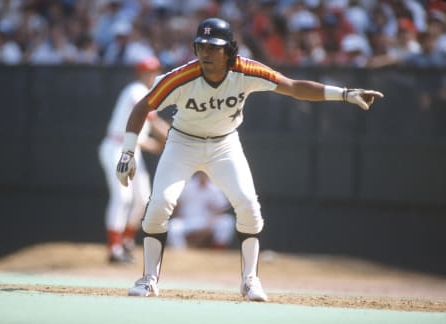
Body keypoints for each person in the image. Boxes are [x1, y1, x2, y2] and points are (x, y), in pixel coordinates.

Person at [116, 17, 383, 301]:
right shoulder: (182, 77)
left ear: (229, 49)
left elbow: (293, 87)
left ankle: (250, 280)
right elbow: (143, 106)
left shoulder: (246, 71)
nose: (205, 52)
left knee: (247, 204)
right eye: (201, 46)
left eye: (213, 47)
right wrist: (128, 152)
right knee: (158, 205)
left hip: (224, 145)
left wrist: (344, 94)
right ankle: (148, 279)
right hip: (182, 142)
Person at [99, 55, 169, 263]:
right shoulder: (135, 90)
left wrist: (154, 145)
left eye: (155, 71)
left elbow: (140, 135)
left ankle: (126, 242)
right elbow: (153, 122)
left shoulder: (147, 93)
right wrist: (174, 135)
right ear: (140, 73)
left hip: (131, 148)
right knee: (123, 198)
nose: (152, 74)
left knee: (144, 199)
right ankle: (114, 249)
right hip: (115, 147)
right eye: (148, 71)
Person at [167, 171, 235, 250]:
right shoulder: (187, 186)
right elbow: (176, 204)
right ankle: (181, 254)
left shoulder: (214, 188)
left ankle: (218, 251)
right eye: (201, 173)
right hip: (187, 221)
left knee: (227, 221)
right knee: (173, 226)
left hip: (207, 221)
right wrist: (177, 216)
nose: (203, 175)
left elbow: (220, 209)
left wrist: (209, 223)